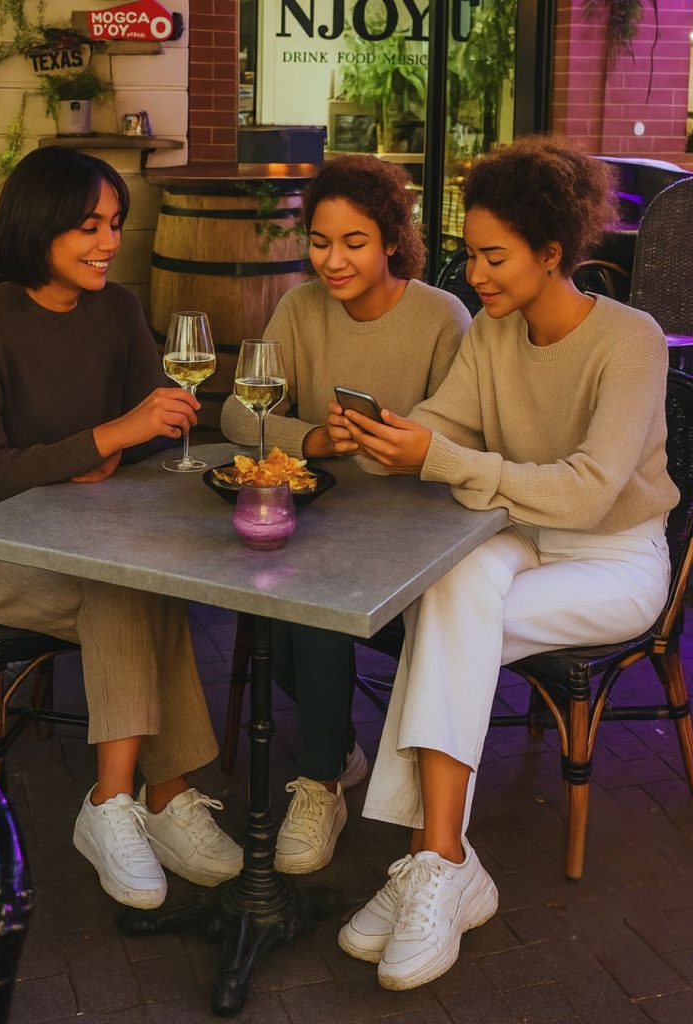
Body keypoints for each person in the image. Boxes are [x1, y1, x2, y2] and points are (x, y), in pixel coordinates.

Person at [332, 136, 678, 990]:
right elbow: (445, 425)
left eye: (494, 257)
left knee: (447, 623)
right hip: (516, 539)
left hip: (613, 561)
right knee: (453, 593)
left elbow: (590, 494)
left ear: (551, 253)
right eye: (469, 254)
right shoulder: (491, 333)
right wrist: (386, 437)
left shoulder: (630, 341)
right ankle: (443, 862)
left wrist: (439, 460)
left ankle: (431, 863)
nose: (475, 275)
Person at [0, 147, 243, 910]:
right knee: (128, 586)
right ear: (39, 227)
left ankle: (155, 801)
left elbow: (152, 424)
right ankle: (127, 802)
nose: (108, 242)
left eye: (113, 224)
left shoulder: (117, 310)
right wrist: (103, 440)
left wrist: (140, 431)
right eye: (87, 227)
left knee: (135, 580)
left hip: (87, 531)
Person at [221, 155, 470, 874]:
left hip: (410, 532)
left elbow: (458, 439)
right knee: (281, 597)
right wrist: (313, 439)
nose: (332, 260)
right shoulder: (299, 308)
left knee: (305, 599)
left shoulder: (439, 317)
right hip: (320, 518)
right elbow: (241, 412)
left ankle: (323, 777)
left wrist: (403, 446)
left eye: (353, 242)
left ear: (392, 239)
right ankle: (334, 759)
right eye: (320, 241)